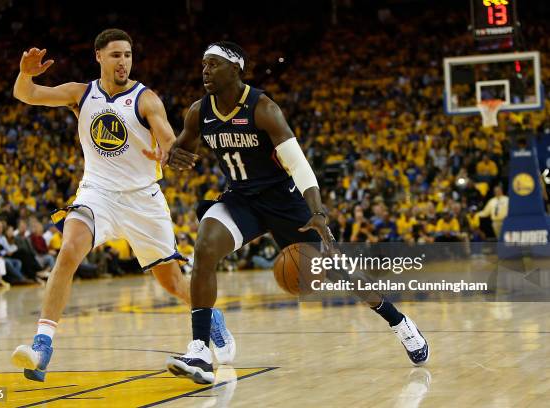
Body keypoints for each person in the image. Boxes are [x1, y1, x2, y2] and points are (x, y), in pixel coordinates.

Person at [164, 42, 429, 384]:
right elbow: (182, 145)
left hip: (284, 201)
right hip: (242, 199)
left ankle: (399, 322)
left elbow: (299, 165)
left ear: (235, 70)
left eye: (213, 65)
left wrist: (317, 212)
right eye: (203, 65)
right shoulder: (199, 111)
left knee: (338, 271)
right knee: (204, 248)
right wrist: (173, 156)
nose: (205, 71)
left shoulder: (263, 108)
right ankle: (199, 349)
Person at [9, 29, 233, 382]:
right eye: (116, 55)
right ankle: (42, 346)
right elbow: (26, 94)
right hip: (96, 193)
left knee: (173, 283)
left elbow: (171, 139)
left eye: (128, 55)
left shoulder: (146, 99)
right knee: (69, 250)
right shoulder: (80, 94)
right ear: (98, 56)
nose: (123, 62)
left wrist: (166, 151)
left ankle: (210, 316)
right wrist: (25, 72)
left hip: (142, 199)